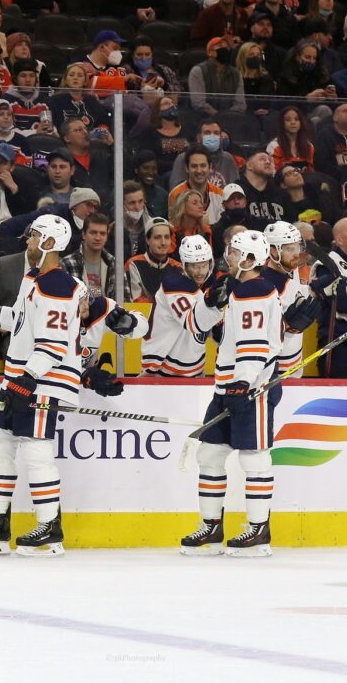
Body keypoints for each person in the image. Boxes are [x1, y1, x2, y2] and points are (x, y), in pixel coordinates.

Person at [0, 214, 84, 556]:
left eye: (34, 236)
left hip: (42, 382)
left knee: (36, 449)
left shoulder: (59, 285)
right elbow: (20, 324)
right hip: (19, 377)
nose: (28, 241)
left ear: (50, 243)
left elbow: (52, 345)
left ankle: (50, 527)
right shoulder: (34, 279)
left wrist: (28, 379)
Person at [181, 229, 282, 557]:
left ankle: (258, 528)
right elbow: (195, 330)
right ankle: (211, 526)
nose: (230, 255)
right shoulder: (230, 286)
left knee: (254, 458)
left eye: (236, 252)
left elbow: (255, 344)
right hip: (227, 386)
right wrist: (210, 303)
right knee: (209, 454)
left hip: (252, 389)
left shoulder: (257, 290)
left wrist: (244, 381)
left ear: (252, 259)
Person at [261, 220, 332, 375]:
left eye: (297, 247)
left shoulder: (289, 273)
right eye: (289, 248)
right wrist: (286, 327)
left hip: (293, 369)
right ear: (272, 251)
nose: (296, 253)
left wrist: (315, 289)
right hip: (272, 374)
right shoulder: (265, 286)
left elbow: (296, 295)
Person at [141, 235, 214, 376]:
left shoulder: (199, 289)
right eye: (194, 266)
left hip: (192, 370)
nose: (200, 272)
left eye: (204, 265)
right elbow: (193, 322)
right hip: (163, 370)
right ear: (185, 264)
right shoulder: (175, 285)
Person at [61, 213, 115, 298]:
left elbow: (126, 301)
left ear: (107, 236)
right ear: (84, 235)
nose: (98, 238)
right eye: (93, 233)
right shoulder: (67, 263)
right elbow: (63, 300)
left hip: (109, 311)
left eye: (102, 233)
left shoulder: (114, 264)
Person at [189, 35, 246, 115]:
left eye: (228, 47)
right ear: (210, 53)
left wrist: (226, 116)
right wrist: (218, 115)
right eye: (220, 46)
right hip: (204, 118)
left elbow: (240, 104)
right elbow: (198, 103)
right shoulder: (198, 71)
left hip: (230, 118)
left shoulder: (236, 73)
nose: (226, 49)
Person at [266, 105, 316, 171]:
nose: (293, 122)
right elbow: (272, 173)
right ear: (282, 123)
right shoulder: (274, 146)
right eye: (288, 120)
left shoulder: (309, 146)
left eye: (297, 119)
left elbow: (311, 172)